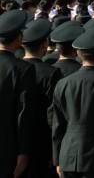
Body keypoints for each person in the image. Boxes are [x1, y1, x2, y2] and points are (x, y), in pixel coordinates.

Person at [50, 27, 94, 178]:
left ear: (78, 54)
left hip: (67, 155)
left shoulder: (63, 83)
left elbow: (57, 125)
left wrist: (57, 159)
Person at [22, 17, 63, 178]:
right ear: (44, 45)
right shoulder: (51, 72)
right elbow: (54, 113)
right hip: (42, 138)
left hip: (17, 138)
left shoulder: (15, 68)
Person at [0, 10, 32, 178]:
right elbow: (23, 113)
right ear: (19, 38)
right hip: (7, 146)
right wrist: (23, 151)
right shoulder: (23, 69)